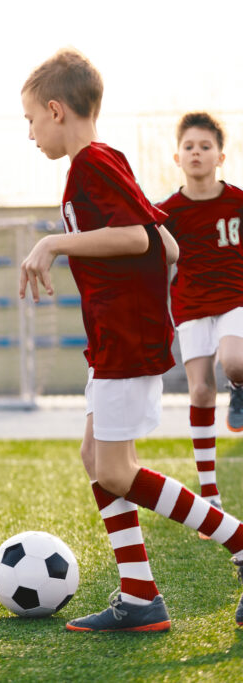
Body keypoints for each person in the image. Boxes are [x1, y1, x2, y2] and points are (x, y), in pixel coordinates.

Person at [19, 48, 243, 631]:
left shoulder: (92, 163)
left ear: (55, 109)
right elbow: (166, 245)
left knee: (116, 472)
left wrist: (54, 244)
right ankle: (140, 597)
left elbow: (140, 242)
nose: (30, 132)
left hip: (124, 339)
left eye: (30, 120)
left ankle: (240, 543)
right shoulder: (102, 162)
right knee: (96, 460)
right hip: (115, 337)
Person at [156, 113, 243, 521]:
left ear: (220, 156)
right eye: (189, 146)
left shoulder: (238, 202)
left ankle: (239, 387)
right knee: (201, 393)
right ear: (177, 156)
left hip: (233, 302)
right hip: (191, 308)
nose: (197, 152)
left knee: (235, 361)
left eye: (205, 146)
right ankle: (209, 491)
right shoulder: (167, 212)